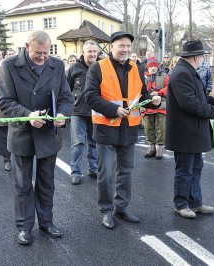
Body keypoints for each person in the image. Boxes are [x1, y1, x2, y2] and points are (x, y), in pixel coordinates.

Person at [0, 30, 73, 245]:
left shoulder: (57, 66)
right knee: (22, 185)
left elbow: (66, 97)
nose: (42, 57)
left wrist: (62, 115)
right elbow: (4, 101)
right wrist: (27, 115)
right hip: (22, 133)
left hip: (49, 134)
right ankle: (24, 227)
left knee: (46, 182)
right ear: (27, 46)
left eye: (46, 52)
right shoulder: (10, 66)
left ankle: (46, 222)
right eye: (38, 52)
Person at [85, 31, 161, 229]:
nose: (125, 49)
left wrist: (152, 99)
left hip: (129, 129)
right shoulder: (98, 68)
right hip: (106, 128)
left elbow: (141, 92)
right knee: (107, 172)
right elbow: (90, 96)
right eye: (121, 46)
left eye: (128, 46)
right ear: (112, 46)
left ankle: (122, 207)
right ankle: (106, 210)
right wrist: (114, 109)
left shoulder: (136, 67)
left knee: (125, 172)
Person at [166, 40, 214, 219]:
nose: (204, 59)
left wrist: (213, 101)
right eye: (203, 56)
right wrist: (212, 111)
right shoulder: (182, 73)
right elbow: (188, 103)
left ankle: (195, 202)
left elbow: (196, 96)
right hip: (185, 132)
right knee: (185, 169)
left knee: (196, 167)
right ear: (196, 56)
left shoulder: (187, 71)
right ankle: (181, 204)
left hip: (193, 132)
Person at [67, 40, 99, 185]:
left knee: (94, 143)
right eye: (89, 51)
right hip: (78, 111)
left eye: (94, 51)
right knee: (78, 143)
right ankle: (75, 171)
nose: (92, 54)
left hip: (97, 111)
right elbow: (66, 90)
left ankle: (94, 169)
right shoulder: (74, 68)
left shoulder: (101, 67)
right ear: (83, 53)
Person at [143, 57, 168, 159]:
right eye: (151, 66)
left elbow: (169, 87)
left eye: (155, 66)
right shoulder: (143, 77)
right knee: (148, 128)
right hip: (147, 107)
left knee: (160, 127)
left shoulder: (165, 76)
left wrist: (159, 93)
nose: (153, 68)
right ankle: (151, 146)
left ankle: (159, 148)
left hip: (161, 106)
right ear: (147, 68)